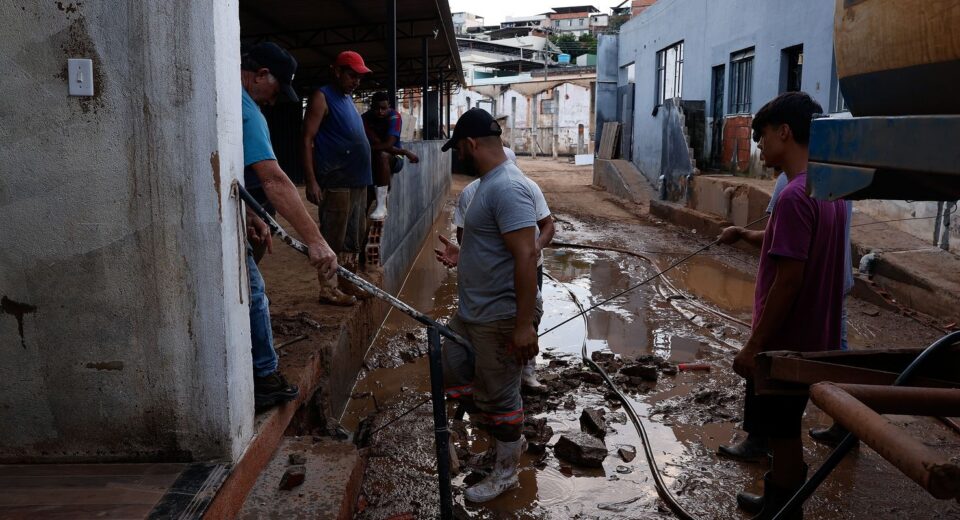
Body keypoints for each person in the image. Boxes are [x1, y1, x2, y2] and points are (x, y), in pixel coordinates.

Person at [717, 92, 848, 518]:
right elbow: (786, 246)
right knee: (784, 427)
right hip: (817, 336)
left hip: (785, 341)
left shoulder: (793, 197)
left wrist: (754, 346)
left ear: (785, 132)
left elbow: (788, 282)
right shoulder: (832, 190)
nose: (757, 144)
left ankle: (784, 507)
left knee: (782, 431)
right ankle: (780, 497)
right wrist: (741, 233)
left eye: (762, 136)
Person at [433, 109, 542, 503]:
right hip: (471, 313)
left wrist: (524, 324)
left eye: (460, 148)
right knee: (454, 368)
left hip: (498, 317)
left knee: (501, 395)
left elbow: (526, 256)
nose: (459, 155)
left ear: (473, 144)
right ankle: (501, 446)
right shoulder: (487, 186)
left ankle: (507, 472)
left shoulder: (507, 188)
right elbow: (496, 249)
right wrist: (464, 254)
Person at [240, 42, 339, 409]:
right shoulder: (247, 110)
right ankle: (264, 377)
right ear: (262, 74)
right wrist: (315, 240)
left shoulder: (229, 101)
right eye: (276, 87)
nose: (275, 97)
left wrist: (251, 213)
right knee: (252, 293)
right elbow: (275, 181)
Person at [450, 146, 554, 389]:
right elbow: (464, 235)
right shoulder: (470, 193)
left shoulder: (524, 187)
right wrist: (466, 256)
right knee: (494, 321)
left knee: (527, 314)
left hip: (529, 265)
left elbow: (548, 224)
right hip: (492, 272)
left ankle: (527, 371)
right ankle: (493, 369)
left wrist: (535, 248)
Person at [302, 50, 374, 306]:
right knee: (333, 235)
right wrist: (311, 180)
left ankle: (346, 280)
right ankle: (328, 289)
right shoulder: (323, 96)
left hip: (357, 179)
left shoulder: (347, 99)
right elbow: (308, 139)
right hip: (336, 179)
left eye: (359, 77)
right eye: (351, 74)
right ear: (337, 71)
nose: (356, 81)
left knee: (354, 235)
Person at [362, 91, 420, 220]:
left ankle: (382, 205)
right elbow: (378, 142)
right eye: (377, 108)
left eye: (384, 108)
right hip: (373, 159)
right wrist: (405, 152)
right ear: (371, 107)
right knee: (365, 198)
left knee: (382, 154)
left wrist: (367, 149)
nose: (381, 112)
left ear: (389, 106)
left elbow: (388, 144)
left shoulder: (395, 116)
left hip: (394, 159)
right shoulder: (365, 118)